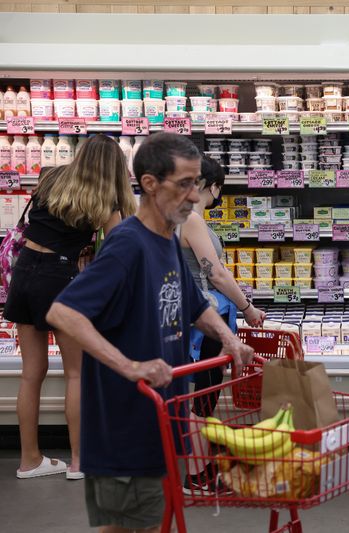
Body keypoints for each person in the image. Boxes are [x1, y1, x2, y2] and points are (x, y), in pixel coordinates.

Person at [46, 132, 254, 533]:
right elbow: (64, 312)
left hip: (162, 412)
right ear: (149, 184)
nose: (195, 196)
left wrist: (230, 339)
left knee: (152, 519)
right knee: (126, 526)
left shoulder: (168, 242)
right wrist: (131, 366)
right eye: (184, 184)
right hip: (124, 420)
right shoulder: (128, 243)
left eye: (196, 183)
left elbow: (195, 306)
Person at [5, 134, 136, 480]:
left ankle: (29, 461)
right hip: (60, 279)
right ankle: (79, 461)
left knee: (32, 373)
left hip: (24, 272)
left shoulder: (50, 177)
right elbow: (121, 248)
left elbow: (36, 226)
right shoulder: (105, 197)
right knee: (77, 373)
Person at [178, 155, 265, 493]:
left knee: (199, 395)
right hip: (205, 322)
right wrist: (248, 308)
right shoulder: (192, 219)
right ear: (211, 186)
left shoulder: (175, 216)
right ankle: (198, 476)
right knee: (203, 397)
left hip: (195, 318)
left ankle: (201, 465)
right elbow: (214, 273)